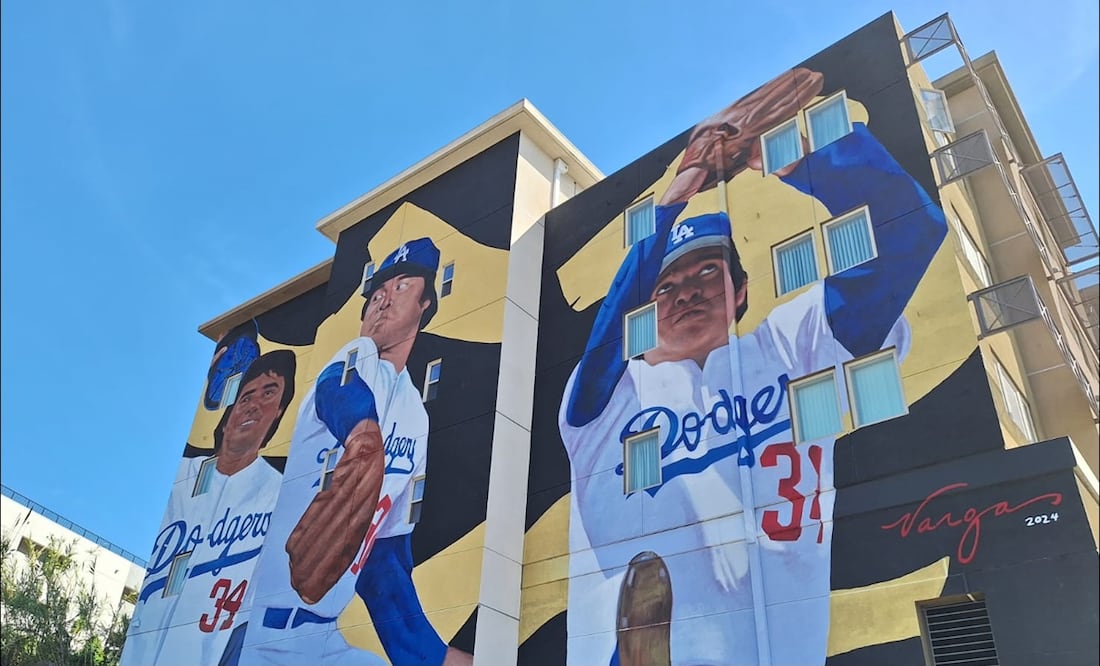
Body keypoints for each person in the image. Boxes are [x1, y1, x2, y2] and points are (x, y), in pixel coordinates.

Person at [558, 68, 948, 666]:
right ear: (645, 307)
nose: (685, 292)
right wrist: (679, 190)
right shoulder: (611, 401)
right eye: (667, 286)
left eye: (707, 272)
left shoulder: (793, 346)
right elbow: (608, 329)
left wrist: (782, 152)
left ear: (742, 291)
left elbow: (910, 228)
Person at [236, 238, 473, 666]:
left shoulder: (416, 417)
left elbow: (384, 568)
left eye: (401, 286)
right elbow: (337, 392)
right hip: (260, 639)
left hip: (322, 638)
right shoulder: (356, 357)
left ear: (426, 304)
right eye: (376, 293)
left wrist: (438, 658)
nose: (382, 299)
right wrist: (364, 438)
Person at [122, 350, 297, 666]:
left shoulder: (281, 490)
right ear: (230, 412)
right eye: (245, 396)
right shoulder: (188, 476)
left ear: (279, 412)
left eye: (269, 393)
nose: (253, 403)